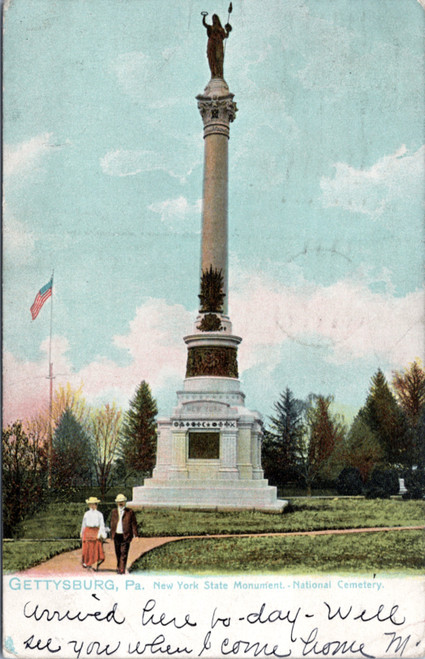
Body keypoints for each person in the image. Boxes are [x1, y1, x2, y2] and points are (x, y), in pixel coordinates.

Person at [109, 494, 138, 574]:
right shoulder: (114, 512)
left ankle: (122, 569)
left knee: (124, 552)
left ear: (125, 502)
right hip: (116, 534)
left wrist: (135, 534)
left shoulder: (130, 512)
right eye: (119, 502)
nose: (120, 503)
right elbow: (111, 522)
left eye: (122, 502)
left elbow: (133, 523)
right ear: (117, 503)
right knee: (118, 552)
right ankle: (119, 566)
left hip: (126, 534)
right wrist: (111, 533)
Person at [202, 13, 232, 78]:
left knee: (219, 58)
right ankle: (214, 73)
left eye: (215, 18)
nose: (214, 20)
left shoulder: (221, 29)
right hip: (211, 44)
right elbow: (204, 24)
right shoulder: (211, 27)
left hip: (218, 44)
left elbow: (226, 35)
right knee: (212, 58)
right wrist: (204, 17)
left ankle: (219, 73)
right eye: (213, 19)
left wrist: (228, 31)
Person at [80, 496, 106, 570]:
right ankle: (87, 562)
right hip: (88, 531)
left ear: (96, 505)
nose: (92, 506)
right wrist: (82, 532)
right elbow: (83, 524)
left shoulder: (99, 514)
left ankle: (94, 563)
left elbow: (102, 524)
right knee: (87, 548)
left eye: (94, 504)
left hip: (95, 531)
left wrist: (100, 533)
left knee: (95, 548)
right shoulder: (86, 514)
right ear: (89, 505)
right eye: (91, 504)